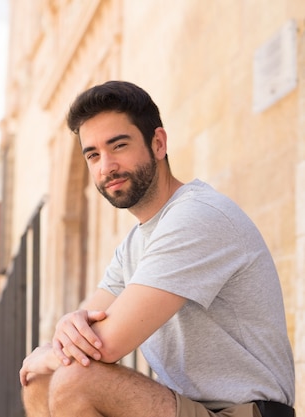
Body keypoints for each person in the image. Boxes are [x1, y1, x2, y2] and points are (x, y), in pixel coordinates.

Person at [19, 81, 295, 417]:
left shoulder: (196, 216)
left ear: (158, 143)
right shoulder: (135, 244)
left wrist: (47, 352)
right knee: (40, 381)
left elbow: (106, 344)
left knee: (75, 378)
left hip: (244, 412)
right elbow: (83, 329)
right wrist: (60, 337)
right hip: (186, 407)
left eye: (118, 146)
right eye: (93, 155)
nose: (106, 166)